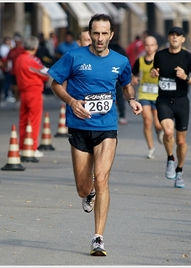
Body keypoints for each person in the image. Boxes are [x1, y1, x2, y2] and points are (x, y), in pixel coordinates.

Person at [48, 13, 143, 256]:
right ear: (89, 34)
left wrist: (131, 100)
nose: (100, 38)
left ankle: (98, 237)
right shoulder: (74, 57)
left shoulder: (120, 61)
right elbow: (55, 83)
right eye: (96, 33)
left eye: (104, 33)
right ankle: (88, 193)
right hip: (79, 127)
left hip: (106, 127)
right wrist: (71, 101)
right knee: (83, 187)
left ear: (111, 35)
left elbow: (126, 84)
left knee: (102, 179)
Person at [150, 26, 191, 188]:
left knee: (181, 141)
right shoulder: (160, 55)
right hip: (164, 100)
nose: (174, 38)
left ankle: (179, 171)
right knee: (167, 132)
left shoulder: (188, 57)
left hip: (181, 102)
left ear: (183, 39)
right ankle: (170, 159)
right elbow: (155, 71)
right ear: (168, 37)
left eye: (178, 35)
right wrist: (154, 73)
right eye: (172, 35)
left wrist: (186, 77)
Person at [14, 36, 49, 158]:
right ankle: (32, 147)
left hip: (22, 91)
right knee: (34, 120)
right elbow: (45, 74)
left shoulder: (19, 59)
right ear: (35, 47)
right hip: (34, 91)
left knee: (23, 120)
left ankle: (21, 146)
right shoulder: (32, 59)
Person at [131, 35, 163, 159]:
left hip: (158, 95)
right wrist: (134, 79)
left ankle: (159, 130)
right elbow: (133, 75)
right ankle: (151, 148)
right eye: (147, 45)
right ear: (144, 46)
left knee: (158, 123)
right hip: (144, 94)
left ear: (156, 46)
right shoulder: (140, 61)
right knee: (147, 120)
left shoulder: (160, 60)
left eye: (152, 45)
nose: (149, 48)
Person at [109, 35, 128, 125]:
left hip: (107, 77)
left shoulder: (107, 49)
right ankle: (122, 116)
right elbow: (125, 63)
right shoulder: (121, 50)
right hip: (118, 77)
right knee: (120, 96)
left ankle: (108, 114)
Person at [6, 34, 24, 108]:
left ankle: (22, 100)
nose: (17, 43)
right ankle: (17, 101)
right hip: (14, 72)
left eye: (18, 41)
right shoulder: (12, 51)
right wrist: (7, 66)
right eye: (15, 41)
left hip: (22, 71)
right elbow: (7, 59)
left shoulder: (23, 50)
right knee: (15, 87)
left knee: (21, 87)